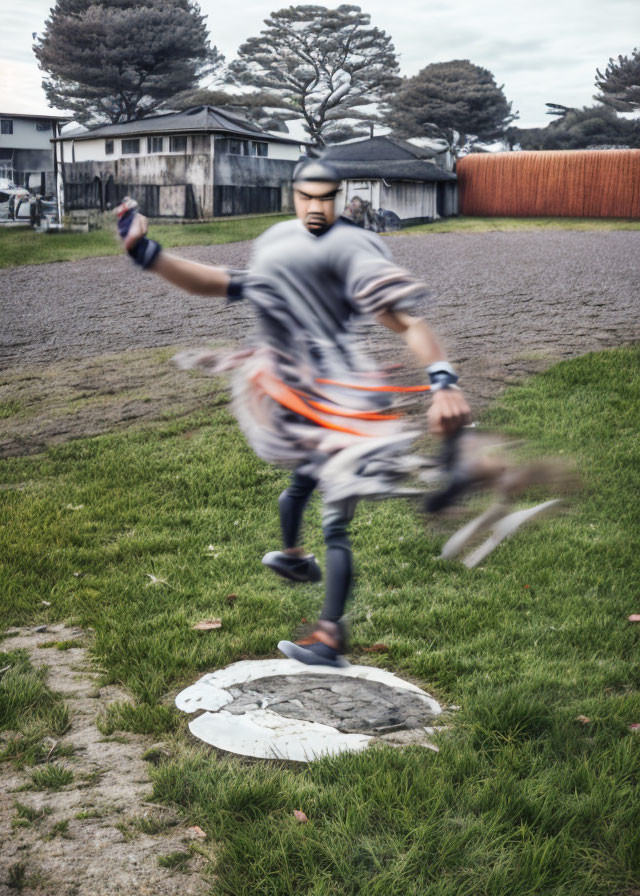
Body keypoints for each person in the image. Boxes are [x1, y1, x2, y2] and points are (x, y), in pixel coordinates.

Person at [117, 160, 474, 667]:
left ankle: (330, 636)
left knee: (334, 520)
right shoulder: (279, 268)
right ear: (294, 199)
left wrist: (442, 379)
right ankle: (293, 558)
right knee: (297, 489)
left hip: (344, 409)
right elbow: (210, 281)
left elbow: (409, 323)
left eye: (324, 197)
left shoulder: (350, 263)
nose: (315, 207)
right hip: (301, 403)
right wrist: (145, 253)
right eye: (306, 197)